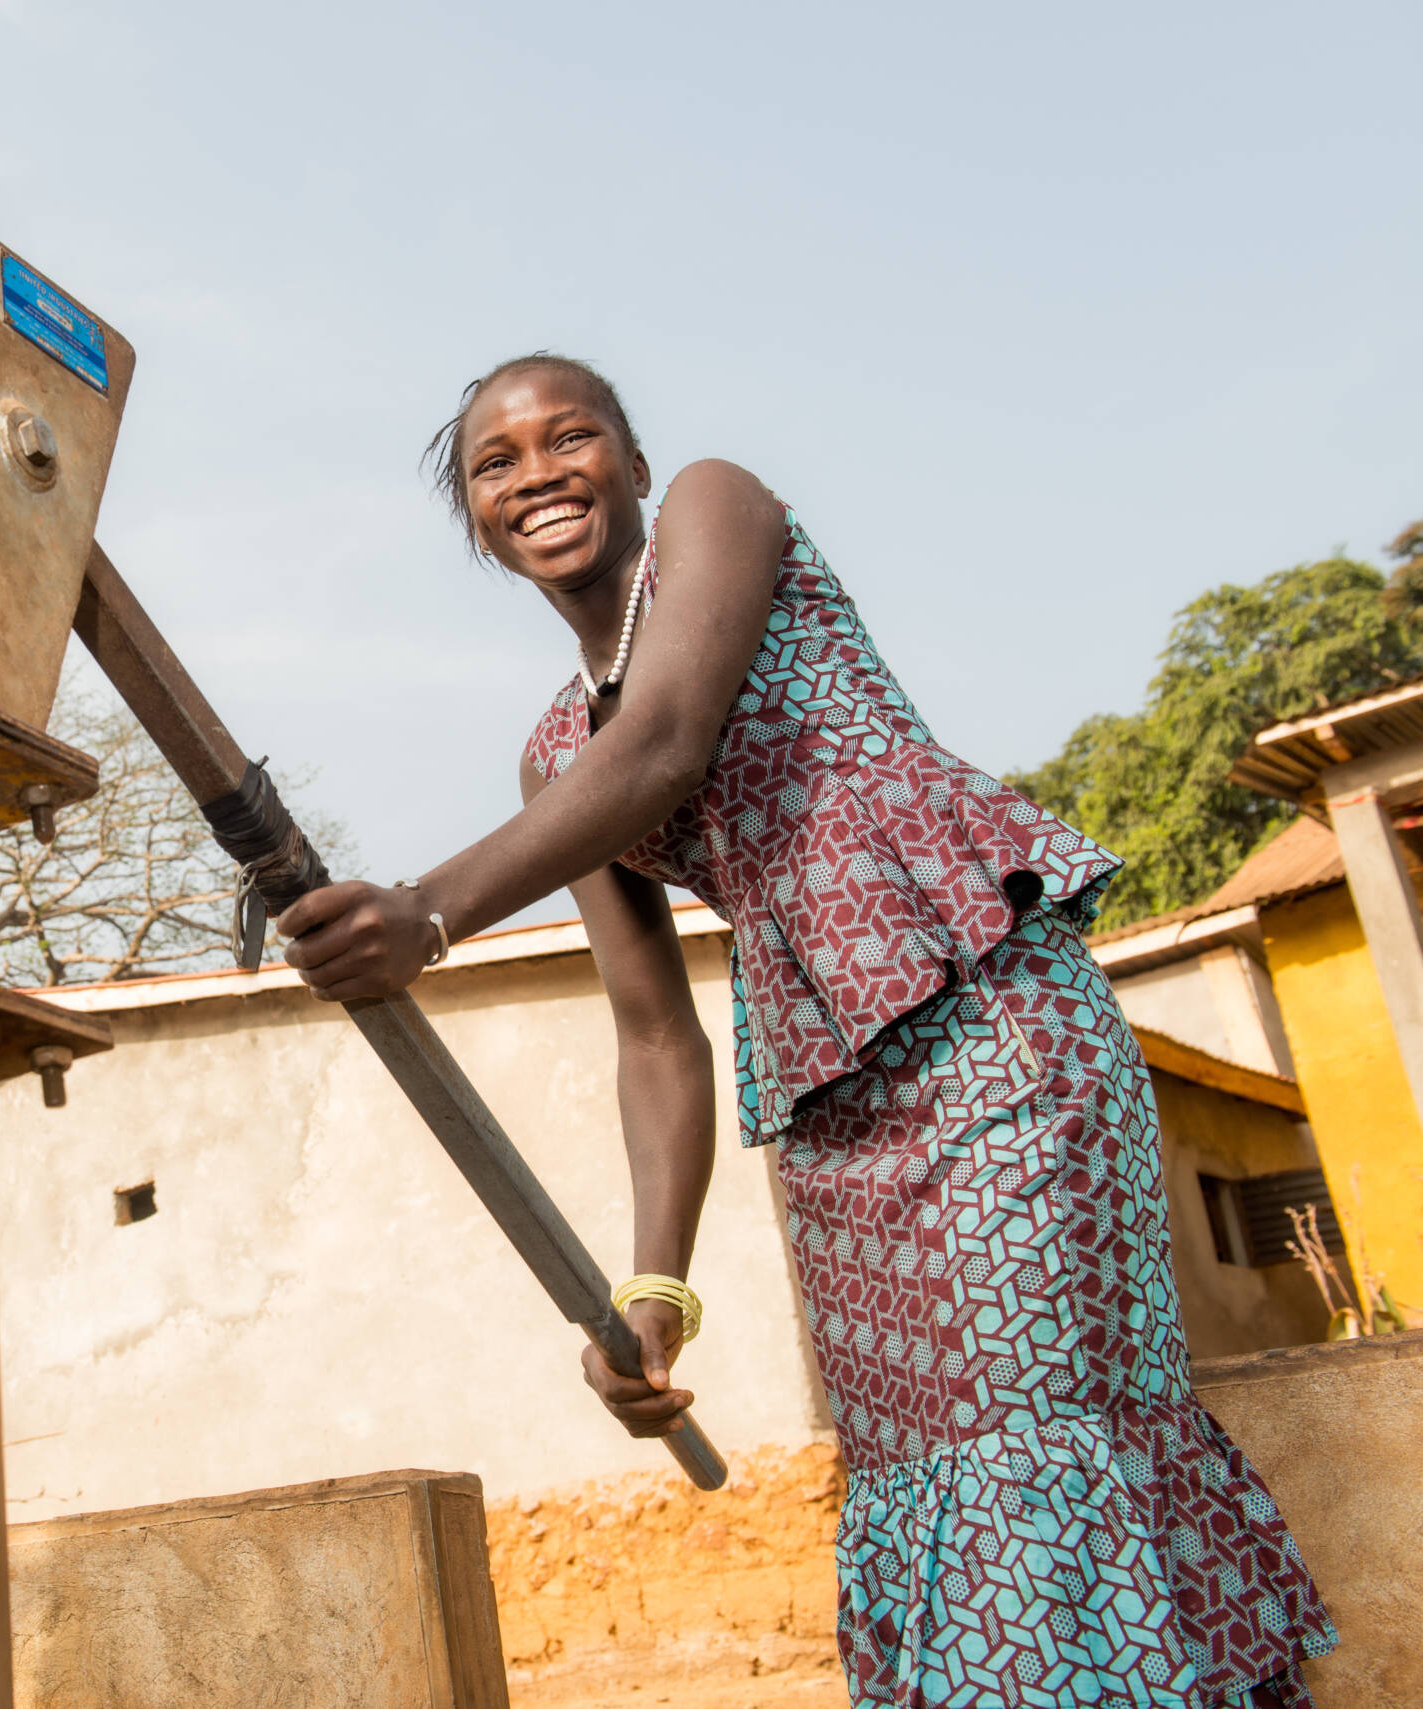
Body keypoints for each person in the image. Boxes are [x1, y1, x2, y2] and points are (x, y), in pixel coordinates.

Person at [277, 355, 1334, 1708]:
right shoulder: (553, 759)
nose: (537, 471)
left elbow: (663, 740)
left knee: (1040, 1447)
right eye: (496, 463)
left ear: (636, 465)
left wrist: (426, 913)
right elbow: (655, 1035)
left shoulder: (720, 511)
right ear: (478, 522)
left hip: (991, 1031)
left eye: (571, 436)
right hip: (835, 1134)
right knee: (927, 1479)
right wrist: (650, 1294)